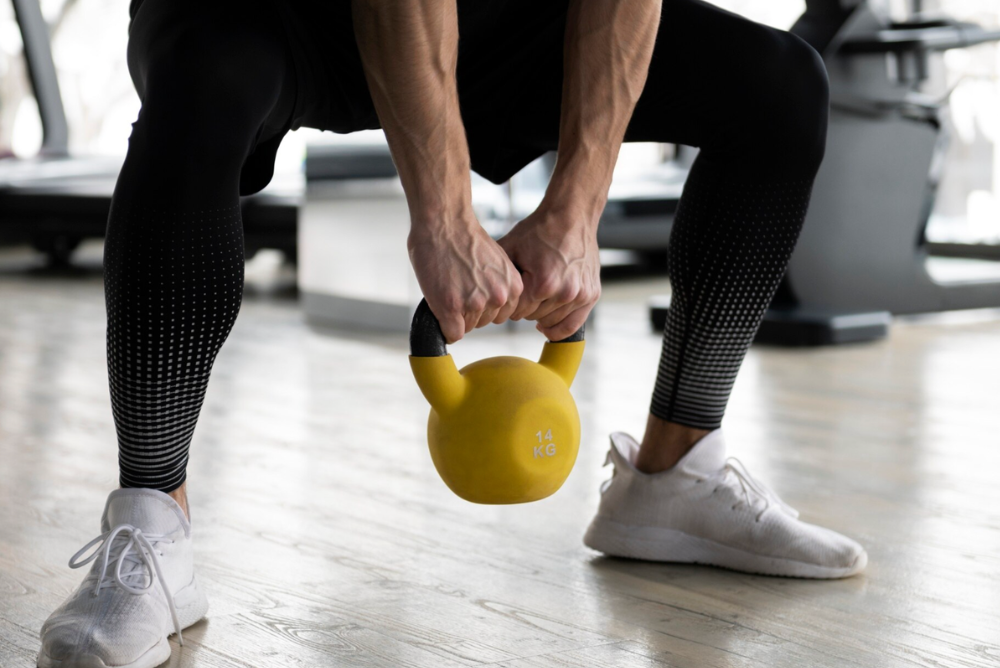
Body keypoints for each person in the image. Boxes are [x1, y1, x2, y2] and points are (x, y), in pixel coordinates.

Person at [38, 0, 868, 665]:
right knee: (203, 78)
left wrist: (576, 213)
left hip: (511, 21)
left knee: (779, 87)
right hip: (282, 11)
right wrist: (441, 218)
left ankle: (675, 476)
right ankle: (153, 524)